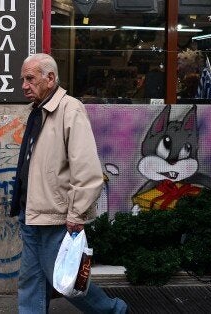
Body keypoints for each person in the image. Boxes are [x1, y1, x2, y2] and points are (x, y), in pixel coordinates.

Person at [9, 53, 127, 314]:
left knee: (66, 282)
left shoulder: (69, 109)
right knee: (30, 279)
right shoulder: (39, 111)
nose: (24, 86)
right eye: (22, 80)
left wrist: (77, 212)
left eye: (30, 79)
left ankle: (114, 310)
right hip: (31, 212)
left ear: (50, 78)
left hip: (56, 215)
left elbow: (87, 170)